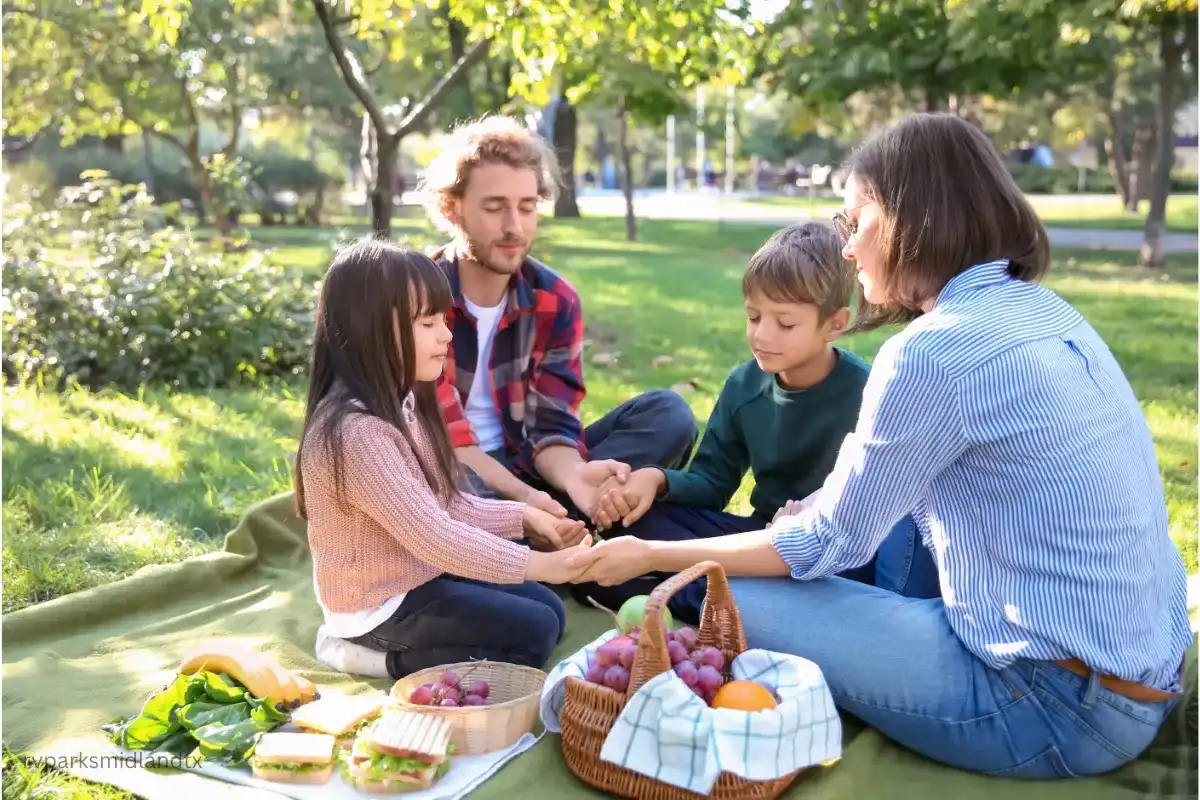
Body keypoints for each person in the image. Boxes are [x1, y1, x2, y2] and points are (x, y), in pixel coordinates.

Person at [564, 113, 1192, 780]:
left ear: (909, 222)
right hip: (1140, 672)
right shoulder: (1045, 310)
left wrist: (647, 553)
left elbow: (827, 545)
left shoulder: (931, 350)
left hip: (1055, 707)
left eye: (857, 220)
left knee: (733, 595)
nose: (848, 248)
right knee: (813, 558)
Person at [571, 222, 939, 622]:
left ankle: (716, 602)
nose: (763, 335)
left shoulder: (868, 390)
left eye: (785, 324)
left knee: (846, 578)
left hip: (838, 551)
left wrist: (813, 517)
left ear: (834, 323)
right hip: (759, 539)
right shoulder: (744, 385)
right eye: (753, 317)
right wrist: (657, 480)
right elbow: (713, 484)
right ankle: (733, 603)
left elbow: (880, 502)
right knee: (636, 526)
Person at [293, 240, 595, 680]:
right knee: (532, 633)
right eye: (428, 323)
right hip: (379, 607)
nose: (446, 336)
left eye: (444, 320)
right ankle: (366, 656)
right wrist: (544, 564)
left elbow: (449, 505)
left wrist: (525, 518)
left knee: (547, 607)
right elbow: (437, 536)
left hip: (418, 576)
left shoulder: (402, 405)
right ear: (372, 328)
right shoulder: (354, 433)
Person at [417, 116, 698, 523]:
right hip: (449, 469)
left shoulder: (555, 299)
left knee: (669, 414)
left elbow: (551, 425)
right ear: (452, 208)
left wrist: (576, 478)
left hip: (528, 472)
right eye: (495, 208)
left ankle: (548, 523)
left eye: (527, 208)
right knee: (442, 486)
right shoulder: (416, 297)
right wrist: (528, 500)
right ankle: (533, 529)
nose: (514, 227)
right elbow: (436, 439)